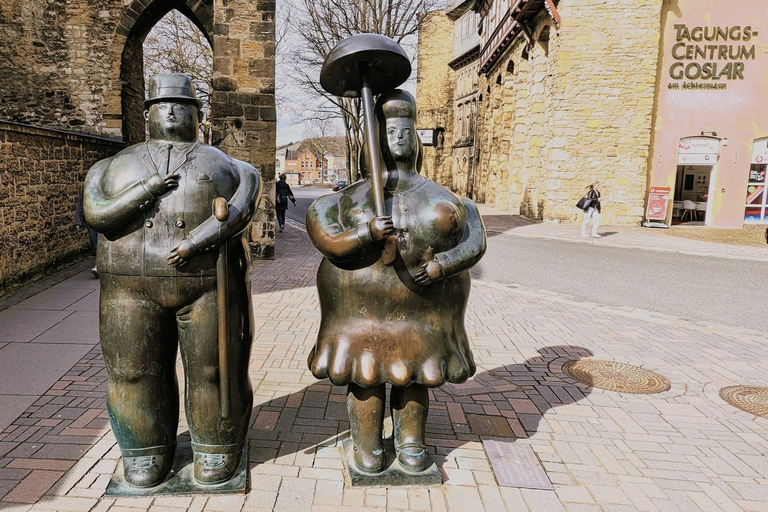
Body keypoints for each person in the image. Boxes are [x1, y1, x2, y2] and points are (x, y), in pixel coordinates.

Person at [83, 74, 262, 488]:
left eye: (181, 105)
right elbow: (98, 214)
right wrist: (148, 188)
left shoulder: (230, 165)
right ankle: (145, 450)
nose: (171, 111)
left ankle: (217, 444)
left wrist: (196, 242)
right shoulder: (109, 165)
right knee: (133, 372)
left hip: (208, 283)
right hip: (129, 285)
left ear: (197, 114)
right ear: (147, 113)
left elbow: (240, 210)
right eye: (161, 104)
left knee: (216, 369)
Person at [305, 90, 486, 474]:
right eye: (389, 132)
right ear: (376, 141)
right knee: (366, 374)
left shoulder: (445, 196)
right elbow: (325, 237)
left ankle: (411, 442)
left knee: (415, 374)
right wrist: (366, 234)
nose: (399, 137)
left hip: (423, 309)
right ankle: (367, 443)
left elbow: (475, 239)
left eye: (406, 130)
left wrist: (445, 264)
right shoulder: (348, 198)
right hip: (361, 310)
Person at [74, 188, 99, 277]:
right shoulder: (87, 186)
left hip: (102, 218)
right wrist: (78, 221)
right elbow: (80, 203)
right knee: (94, 243)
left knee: (100, 242)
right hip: (90, 219)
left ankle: (98, 265)